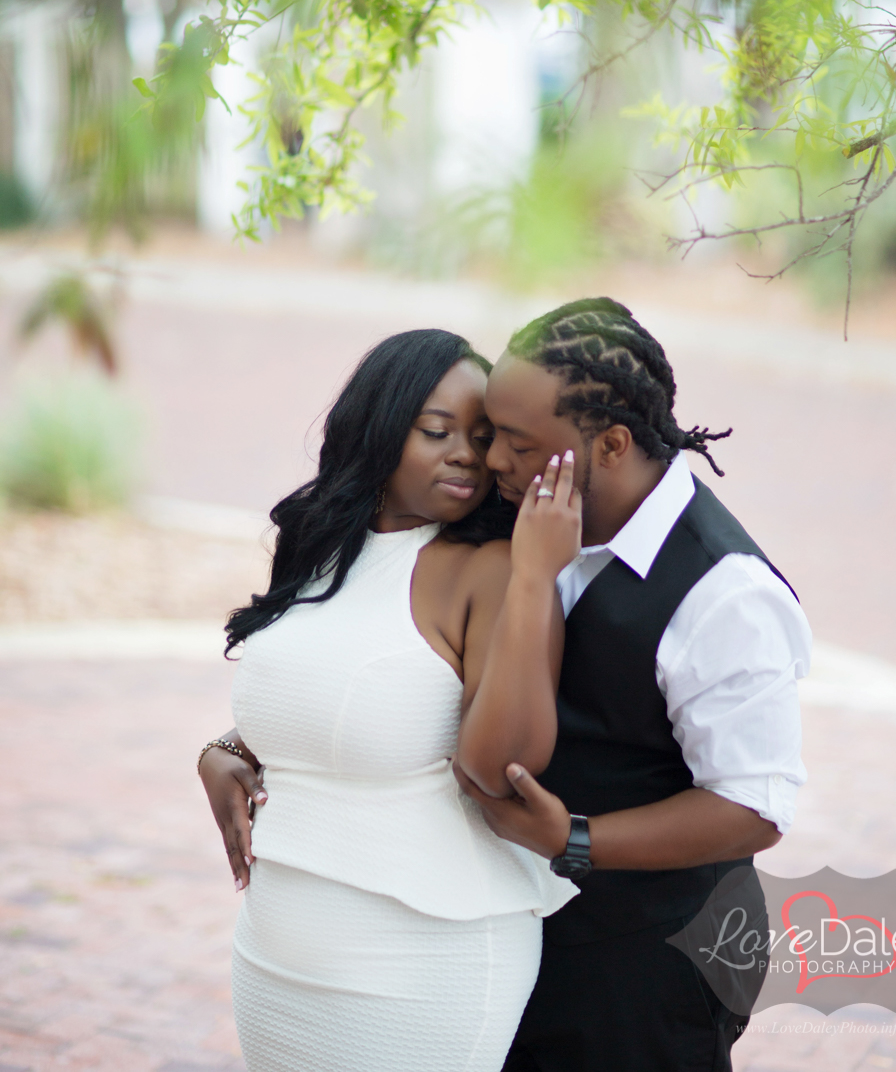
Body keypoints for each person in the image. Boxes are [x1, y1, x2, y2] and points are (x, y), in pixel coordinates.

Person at [197, 328, 580, 1072]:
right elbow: (327, 697)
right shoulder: (320, 543)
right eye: (437, 431)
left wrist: (536, 580)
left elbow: (504, 766)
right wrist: (226, 750)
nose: (467, 453)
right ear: (378, 427)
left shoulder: (490, 570)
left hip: (424, 958)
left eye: (483, 436)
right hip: (278, 952)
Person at [452, 297, 812, 1072]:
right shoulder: (524, 517)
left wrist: (574, 840)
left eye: (517, 442)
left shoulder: (726, 594)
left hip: (651, 967)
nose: (493, 463)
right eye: (493, 436)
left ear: (611, 444)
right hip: (524, 948)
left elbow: (753, 807)